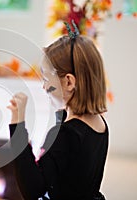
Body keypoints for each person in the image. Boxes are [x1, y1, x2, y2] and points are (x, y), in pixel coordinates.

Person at [8, 22, 108, 200]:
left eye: (47, 79)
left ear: (69, 82)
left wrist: (17, 124)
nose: (45, 87)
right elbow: (70, 166)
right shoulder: (99, 123)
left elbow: (32, 189)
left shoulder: (64, 134)